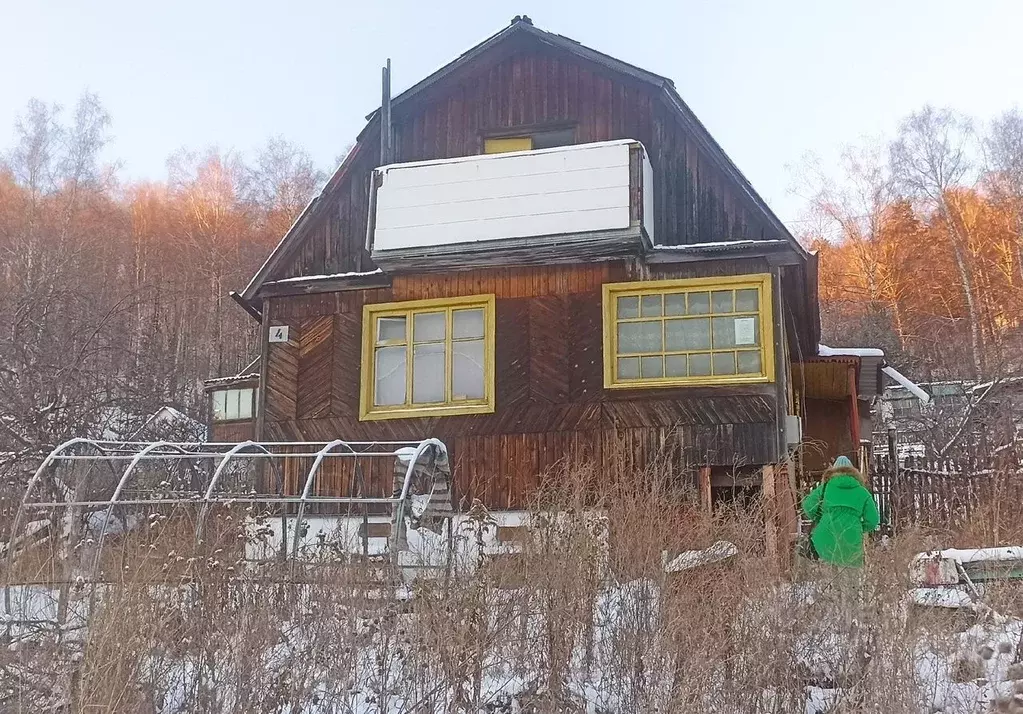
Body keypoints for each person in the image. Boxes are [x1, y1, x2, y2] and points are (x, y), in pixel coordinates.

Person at [801, 455, 880, 568]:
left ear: (833, 471)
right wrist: (858, 526)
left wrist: (821, 517)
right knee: (851, 582)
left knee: (827, 581)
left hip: (824, 541)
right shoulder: (862, 492)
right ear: (854, 472)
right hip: (852, 541)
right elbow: (873, 520)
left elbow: (808, 506)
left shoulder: (825, 488)